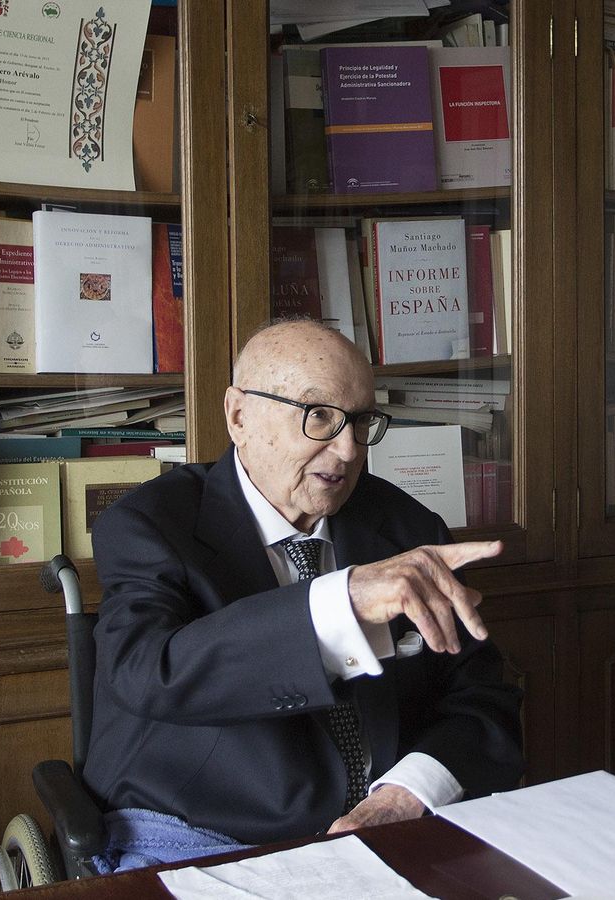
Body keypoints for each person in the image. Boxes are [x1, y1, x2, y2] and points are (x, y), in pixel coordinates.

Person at [82, 320, 522, 860]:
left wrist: (409, 792)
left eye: (362, 422)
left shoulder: (407, 528)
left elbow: (482, 697)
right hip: (204, 831)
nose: (347, 449)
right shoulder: (151, 523)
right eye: (318, 416)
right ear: (239, 415)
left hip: (389, 826)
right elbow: (147, 671)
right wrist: (344, 605)